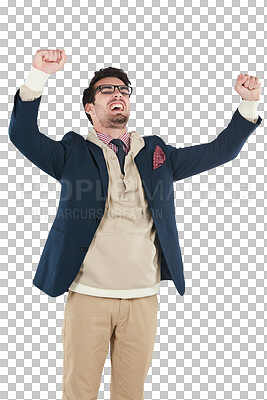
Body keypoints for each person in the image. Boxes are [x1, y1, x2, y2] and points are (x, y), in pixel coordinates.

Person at [8, 49, 262, 400]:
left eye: (124, 90)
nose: (118, 94)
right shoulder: (71, 152)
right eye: (107, 90)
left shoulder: (158, 152)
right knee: (78, 392)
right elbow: (23, 135)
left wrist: (248, 105)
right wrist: (39, 76)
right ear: (89, 108)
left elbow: (220, 151)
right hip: (88, 296)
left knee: (131, 394)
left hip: (142, 298)